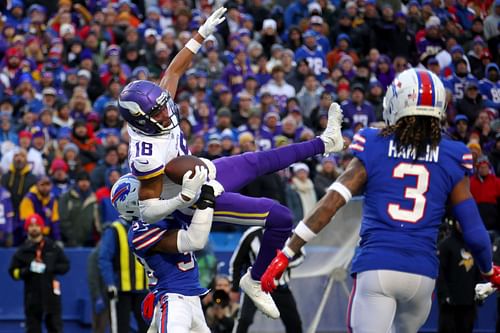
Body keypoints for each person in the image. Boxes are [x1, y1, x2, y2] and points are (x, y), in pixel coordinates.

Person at [117, 6, 344, 319]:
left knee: (258, 160)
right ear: (140, 121)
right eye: (156, 113)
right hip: (192, 200)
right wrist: (184, 196)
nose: (165, 113)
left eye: (162, 106)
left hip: (202, 172)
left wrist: (200, 34)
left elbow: (174, 71)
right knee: (281, 216)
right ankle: (254, 281)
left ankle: (326, 143)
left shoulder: (158, 106)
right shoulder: (145, 154)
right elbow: (147, 210)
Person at [261, 68, 500, 332]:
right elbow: (474, 229)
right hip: (422, 276)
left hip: (378, 268)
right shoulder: (453, 153)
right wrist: (488, 271)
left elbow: (331, 203)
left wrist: (287, 252)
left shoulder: (374, 143)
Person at [111, 174, 224, 333]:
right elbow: (195, 240)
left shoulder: (168, 213)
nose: (157, 187)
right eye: (148, 186)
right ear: (135, 200)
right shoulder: (140, 231)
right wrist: (207, 197)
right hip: (173, 299)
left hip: (192, 298)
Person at [230, 226, 304, 333]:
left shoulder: (291, 235)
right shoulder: (251, 235)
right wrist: (234, 288)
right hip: (255, 286)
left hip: (280, 288)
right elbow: (236, 263)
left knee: (294, 323)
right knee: (244, 320)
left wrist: (284, 263)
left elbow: (301, 255)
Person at [8, 213, 70, 333]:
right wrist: (26, 271)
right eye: (31, 225)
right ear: (27, 229)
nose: (34, 228)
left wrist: (51, 268)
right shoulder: (22, 250)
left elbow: (66, 266)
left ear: (41, 227)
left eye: (37, 225)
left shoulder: (52, 247)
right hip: (32, 297)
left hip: (51, 296)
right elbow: (13, 272)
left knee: (55, 327)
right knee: (32, 329)